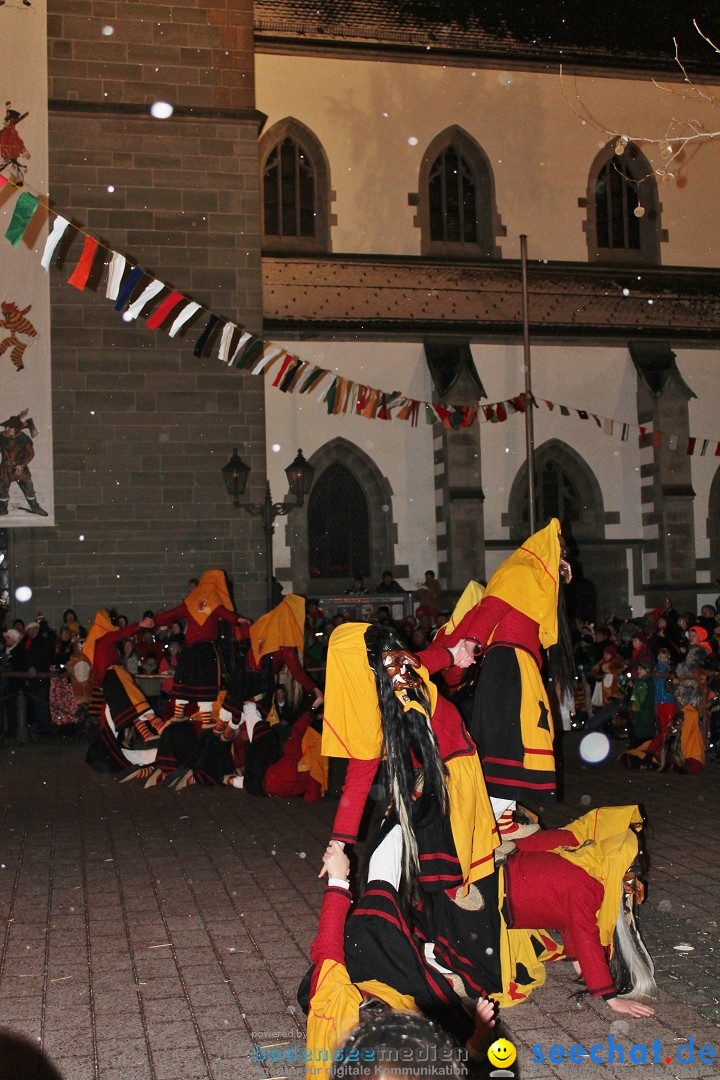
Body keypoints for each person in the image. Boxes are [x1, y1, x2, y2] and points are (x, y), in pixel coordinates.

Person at [321, 621, 499, 898]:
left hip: (453, 772)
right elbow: (429, 658)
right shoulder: (391, 674)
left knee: (447, 868)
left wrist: (456, 652)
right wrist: (339, 841)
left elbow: (425, 660)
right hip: (416, 778)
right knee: (405, 859)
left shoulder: (397, 671)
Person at [302, 841, 496, 1080]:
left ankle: (395, 818)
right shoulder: (419, 1043)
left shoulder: (331, 1018)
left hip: (355, 976)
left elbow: (327, 948)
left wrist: (338, 879)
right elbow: (457, 1067)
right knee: (470, 968)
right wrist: (478, 1040)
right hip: (403, 991)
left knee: (376, 917)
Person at [436, 519, 573, 837]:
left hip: (515, 667)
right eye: (561, 557)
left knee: (514, 748)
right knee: (512, 749)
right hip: (509, 667)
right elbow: (491, 607)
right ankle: (477, 836)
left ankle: (501, 823)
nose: (563, 566)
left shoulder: (534, 578)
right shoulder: (521, 572)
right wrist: (472, 642)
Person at [152, 570, 247, 729]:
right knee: (205, 684)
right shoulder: (213, 601)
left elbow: (172, 614)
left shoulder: (191, 601)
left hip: (190, 648)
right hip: (205, 649)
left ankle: (178, 714)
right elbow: (224, 613)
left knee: (185, 681)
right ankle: (205, 719)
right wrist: (238, 619)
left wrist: (154, 620)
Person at [83, 610, 163, 773]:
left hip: (110, 682)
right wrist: (139, 625)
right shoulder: (104, 640)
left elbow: (97, 676)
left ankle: (146, 735)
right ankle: (157, 728)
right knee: (132, 702)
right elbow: (120, 634)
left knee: (123, 709)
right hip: (114, 676)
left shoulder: (98, 647)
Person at [0, 411, 48, 516]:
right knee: (2, 489)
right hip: (5, 468)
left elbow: (30, 454)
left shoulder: (24, 438)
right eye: (7, 427)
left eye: (10, 427)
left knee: (28, 488)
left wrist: (21, 465)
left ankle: (35, 508)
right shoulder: (1, 437)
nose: (7, 429)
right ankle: (2, 509)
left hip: (20, 469)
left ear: (17, 429)